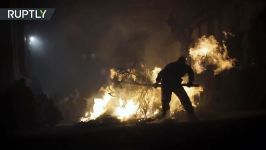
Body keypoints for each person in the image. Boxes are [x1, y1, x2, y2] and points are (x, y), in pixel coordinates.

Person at [155, 56, 198, 120]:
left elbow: (190, 72)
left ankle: (191, 116)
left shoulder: (176, 65)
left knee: (169, 100)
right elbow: (161, 73)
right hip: (169, 84)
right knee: (180, 99)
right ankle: (166, 117)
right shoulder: (181, 66)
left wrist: (190, 82)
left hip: (171, 84)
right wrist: (157, 81)